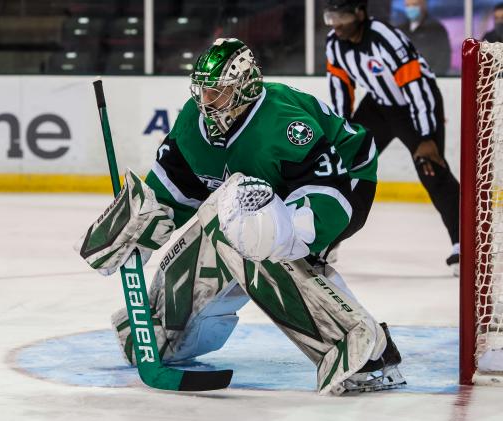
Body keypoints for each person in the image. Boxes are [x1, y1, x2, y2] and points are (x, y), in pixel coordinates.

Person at [76, 38, 405, 395]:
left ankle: (365, 350)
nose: (206, 102)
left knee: (258, 235)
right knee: (224, 222)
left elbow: (331, 197)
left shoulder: (285, 123)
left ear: (245, 87)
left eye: (218, 93)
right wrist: (141, 224)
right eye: (203, 92)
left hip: (346, 184)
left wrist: (289, 234)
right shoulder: (194, 121)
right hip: (263, 194)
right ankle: (165, 331)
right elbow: (173, 188)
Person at [324, 0, 460, 274]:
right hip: (378, 106)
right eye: (330, 18)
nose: (335, 25)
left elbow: (417, 86)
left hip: (414, 105)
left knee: (432, 170)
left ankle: (463, 243)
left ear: (359, 13)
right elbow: (340, 88)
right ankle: (329, 239)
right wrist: (343, 133)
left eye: (341, 17)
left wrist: (426, 135)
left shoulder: (386, 39)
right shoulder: (334, 43)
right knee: (344, 167)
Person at [397, 0, 451, 76]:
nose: (410, 8)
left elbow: (444, 59)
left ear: (424, 5)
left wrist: (431, 78)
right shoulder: (400, 30)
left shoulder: (436, 29)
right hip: (405, 81)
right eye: (407, 5)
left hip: (430, 80)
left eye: (414, 5)